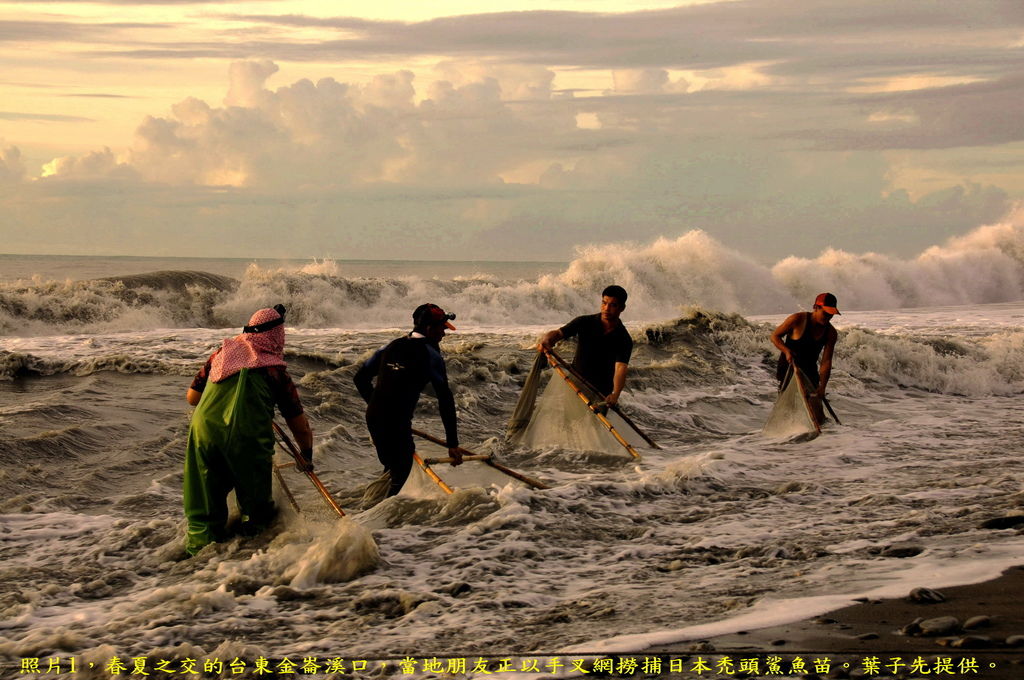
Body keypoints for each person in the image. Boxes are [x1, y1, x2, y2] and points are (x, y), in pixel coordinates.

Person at [182, 304, 313, 556]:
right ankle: (250, 562)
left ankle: (196, 563)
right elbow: (299, 424)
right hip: (247, 442)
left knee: (203, 512)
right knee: (256, 514)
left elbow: (192, 398)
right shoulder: (275, 371)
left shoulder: (220, 355)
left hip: (203, 435)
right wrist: (306, 455)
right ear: (277, 336)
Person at [353, 303, 464, 498]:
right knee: (401, 478)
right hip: (396, 425)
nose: (444, 334)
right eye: (442, 329)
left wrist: (377, 406)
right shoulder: (431, 355)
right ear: (429, 329)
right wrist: (452, 444)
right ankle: (377, 521)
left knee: (393, 469)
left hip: (374, 419)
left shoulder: (391, 345)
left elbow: (360, 378)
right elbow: (445, 399)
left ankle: (371, 509)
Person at [538, 285, 632, 406]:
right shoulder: (584, 322)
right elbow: (558, 333)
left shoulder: (624, 338)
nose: (606, 308)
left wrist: (615, 394)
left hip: (600, 393)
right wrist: (546, 340)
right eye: (604, 303)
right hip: (574, 384)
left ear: (622, 308)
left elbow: (620, 368)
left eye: (613, 305)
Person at [770, 292, 840, 399]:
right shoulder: (797, 320)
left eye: (831, 314)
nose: (828, 318)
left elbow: (826, 361)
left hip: (810, 369)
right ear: (816, 307)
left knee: (816, 401)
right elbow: (775, 336)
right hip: (788, 366)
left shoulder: (831, 333)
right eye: (825, 313)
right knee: (789, 399)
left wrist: (822, 387)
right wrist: (786, 351)